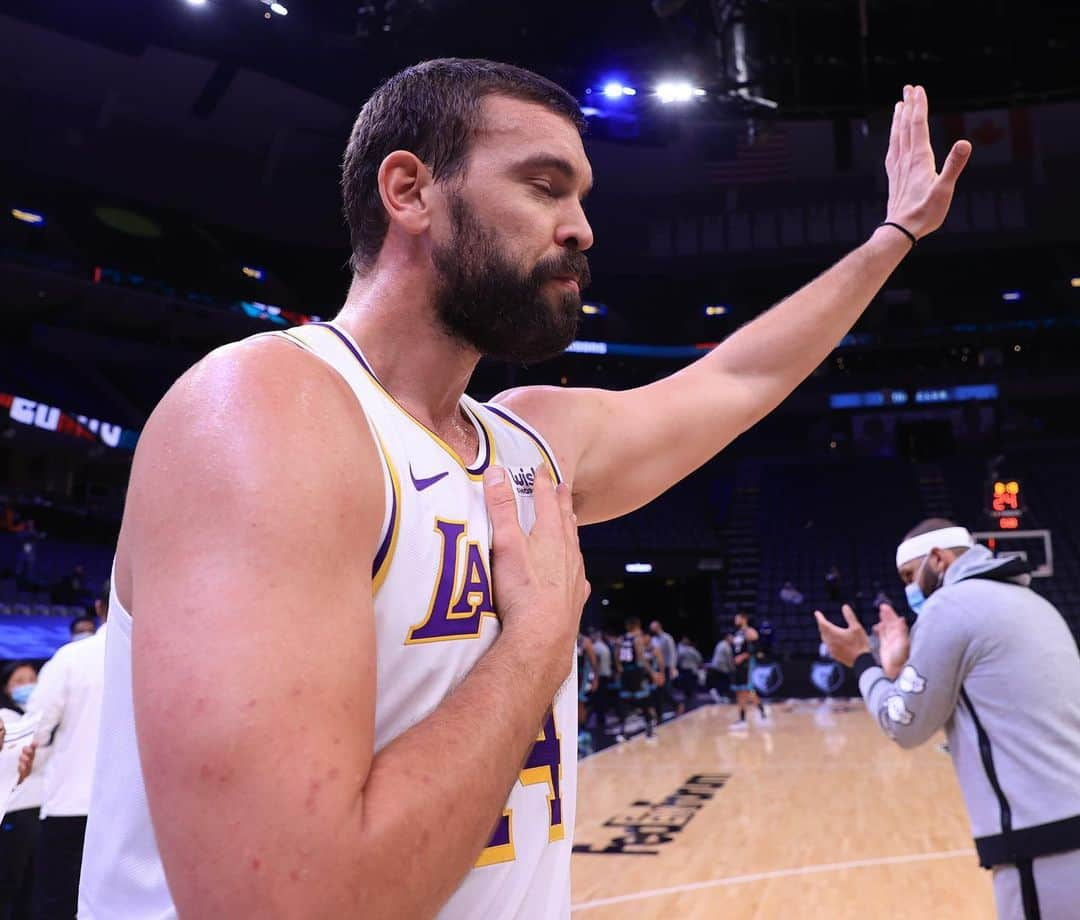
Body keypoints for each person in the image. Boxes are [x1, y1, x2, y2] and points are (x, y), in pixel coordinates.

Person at [78, 63, 969, 918]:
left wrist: (894, 238)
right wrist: (539, 640)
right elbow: (287, 902)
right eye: (545, 187)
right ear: (410, 191)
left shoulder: (530, 443)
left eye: (583, 199)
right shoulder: (266, 410)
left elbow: (741, 378)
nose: (581, 228)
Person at [816, 519, 1080, 920]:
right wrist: (899, 668)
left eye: (909, 575)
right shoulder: (1033, 603)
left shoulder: (950, 605)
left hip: (1041, 842)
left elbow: (902, 724)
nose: (909, 589)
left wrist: (861, 661)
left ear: (938, 559)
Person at [27, 582, 108, 920]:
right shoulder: (168, 661)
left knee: (57, 907)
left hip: (72, 807)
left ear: (100, 606)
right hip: (138, 817)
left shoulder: (73, 657)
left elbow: (34, 730)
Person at [0, 662, 48, 920]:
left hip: (39, 810)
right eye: (19, 680)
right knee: (11, 883)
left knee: (31, 885)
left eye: (32, 678)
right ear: (6, 687)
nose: (28, 684)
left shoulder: (33, 715)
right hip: (15, 812)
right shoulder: (7, 718)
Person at [729, 612, 767, 729]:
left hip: (747, 665)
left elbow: (757, 650)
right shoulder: (737, 633)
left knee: (747, 691)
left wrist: (743, 656)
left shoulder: (750, 632)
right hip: (737, 666)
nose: (735, 620)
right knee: (739, 692)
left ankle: (761, 712)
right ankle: (742, 719)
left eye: (737, 618)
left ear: (744, 619)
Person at [649, 620, 678, 718]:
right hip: (656, 667)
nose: (652, 630)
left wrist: (672, 667)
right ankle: (660, 712)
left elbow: (672, 653)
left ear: (659, 627)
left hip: (666, 667)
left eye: (653, 628)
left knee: (665, 689)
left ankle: (676, 705)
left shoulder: (667, 638)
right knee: (658, 691)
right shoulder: (653, 639)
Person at [675, 636, 703, 713]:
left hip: (688, 671)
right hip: (689, 671)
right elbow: (699, 659)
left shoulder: (682, 650)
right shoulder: (692, 650)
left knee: (689, 690)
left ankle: (691, 705)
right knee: (690, 690)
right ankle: (691, 704)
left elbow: (677, 660)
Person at [707, 633, 734, 702]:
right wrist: (732, 669)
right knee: (725, 682)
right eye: (731, 637)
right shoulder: (727, 646)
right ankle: (723, 697)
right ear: (727, 637)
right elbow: (729, 660)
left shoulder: (720, 644)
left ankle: (717, 695)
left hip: (715, 667)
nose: (732, 639)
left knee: (718, 682)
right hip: (721, 668)